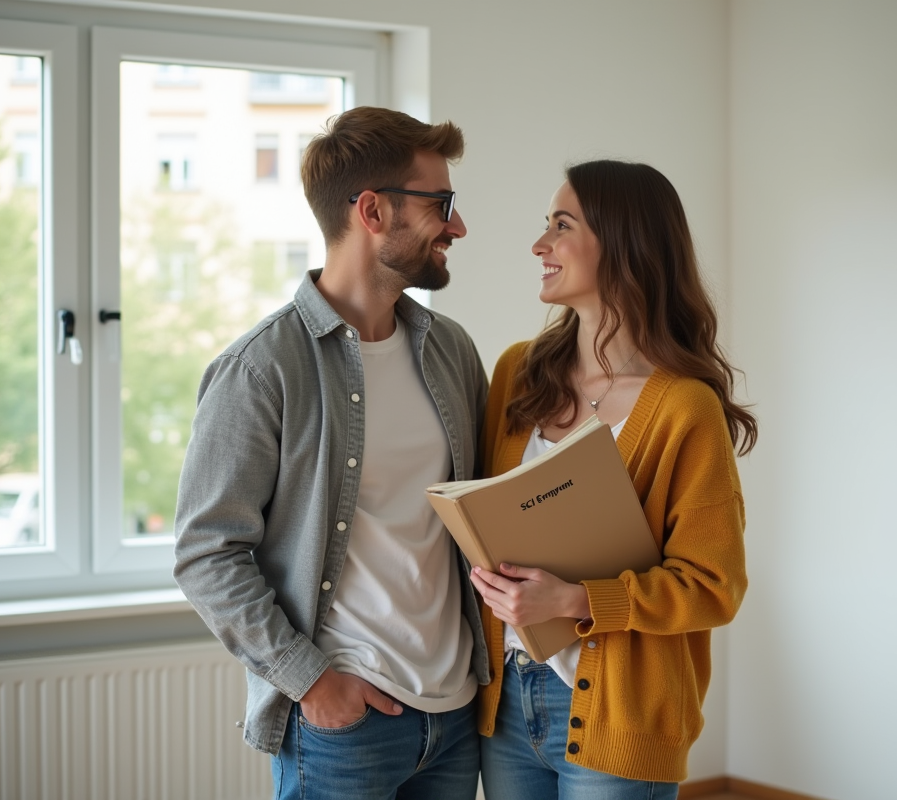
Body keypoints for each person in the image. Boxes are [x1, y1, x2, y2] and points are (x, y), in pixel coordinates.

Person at [173, 106, 490, 800]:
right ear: (372, 211)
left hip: (455, 711)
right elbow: (206, 550)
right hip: (344, 724)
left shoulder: (452, 351)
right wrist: (307, 678)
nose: (457, 227)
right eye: (442, 204)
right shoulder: (262, 369)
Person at [470, 159, 757, 799]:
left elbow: (715, 587)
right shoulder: (518, 373)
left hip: (621, 715)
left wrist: (573, 601)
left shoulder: (684, 408)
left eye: (561, 225)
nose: (539, 244)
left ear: (622, 244)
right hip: (506, 706)